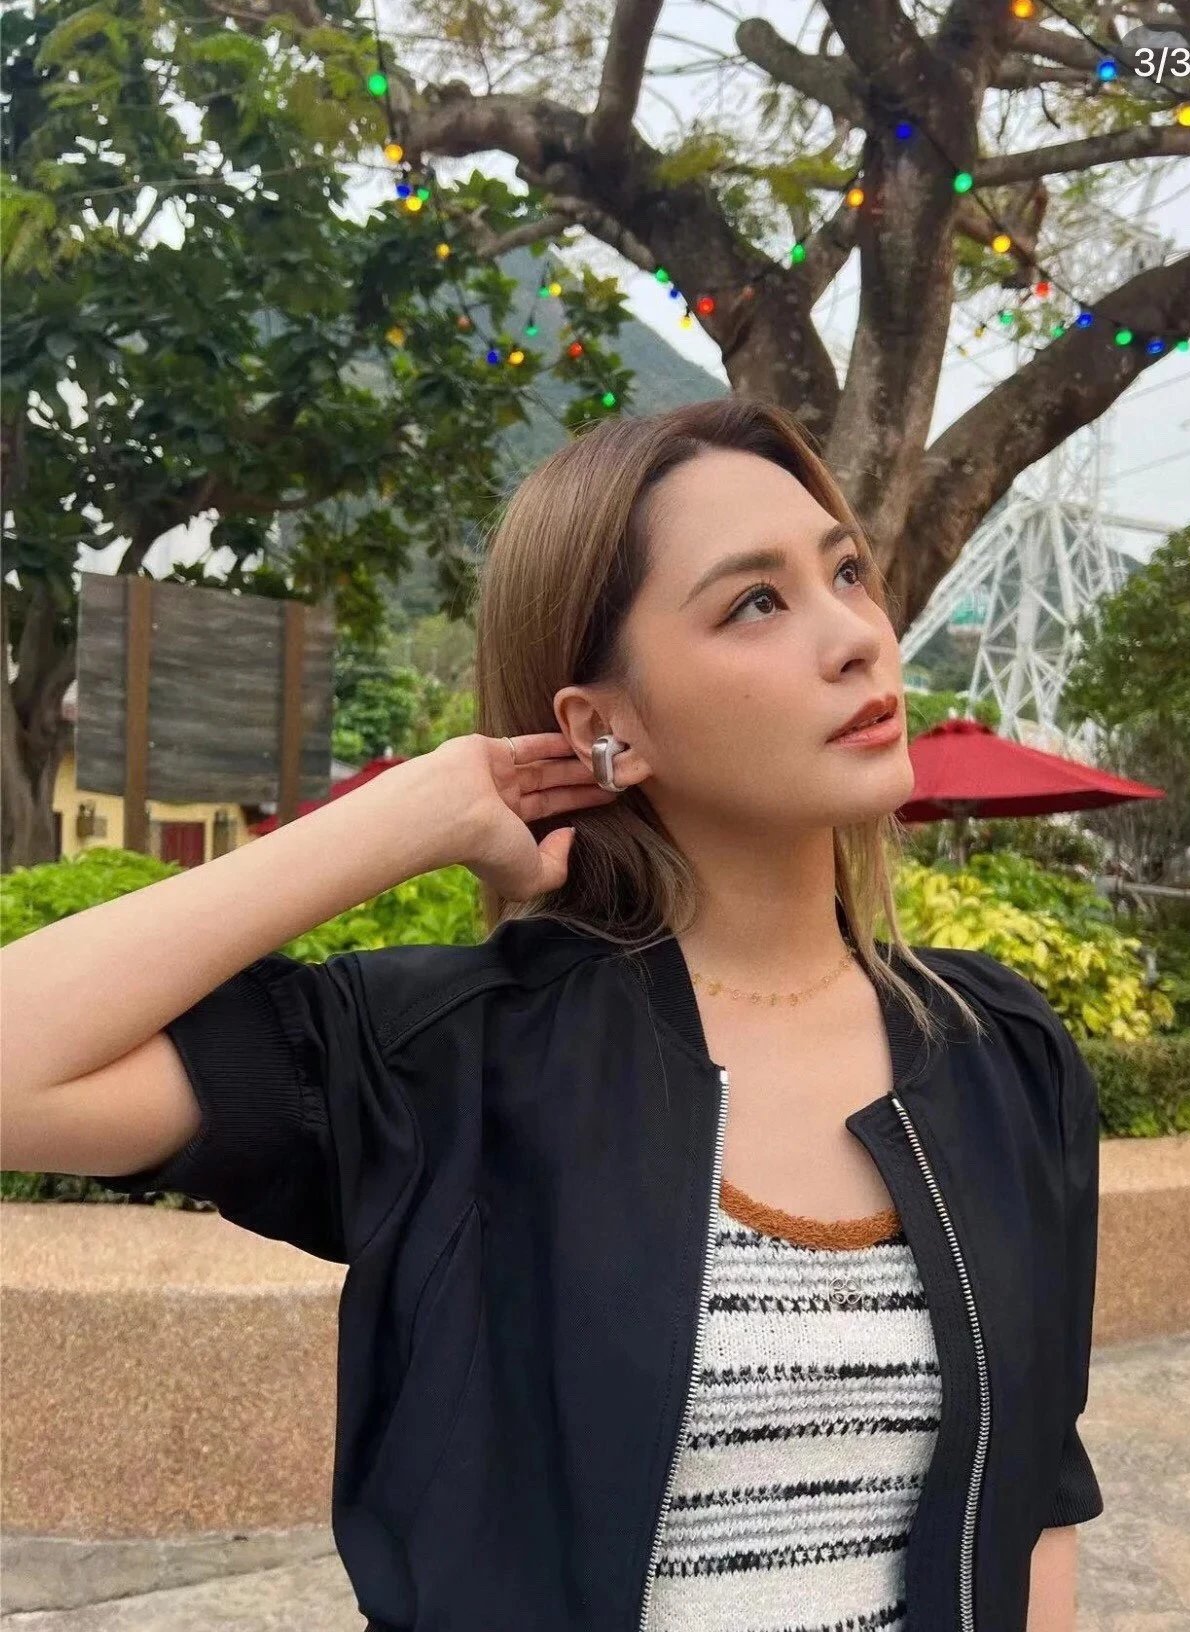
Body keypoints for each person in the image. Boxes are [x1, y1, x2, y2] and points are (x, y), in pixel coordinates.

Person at [1, 397, 1104, 1632]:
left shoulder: (1005, 1054)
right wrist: (404, 818)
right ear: (604, 727)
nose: (855, 636)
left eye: (847, 572)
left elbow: (1040, 1506)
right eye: (756, 601)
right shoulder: (449, 1060)